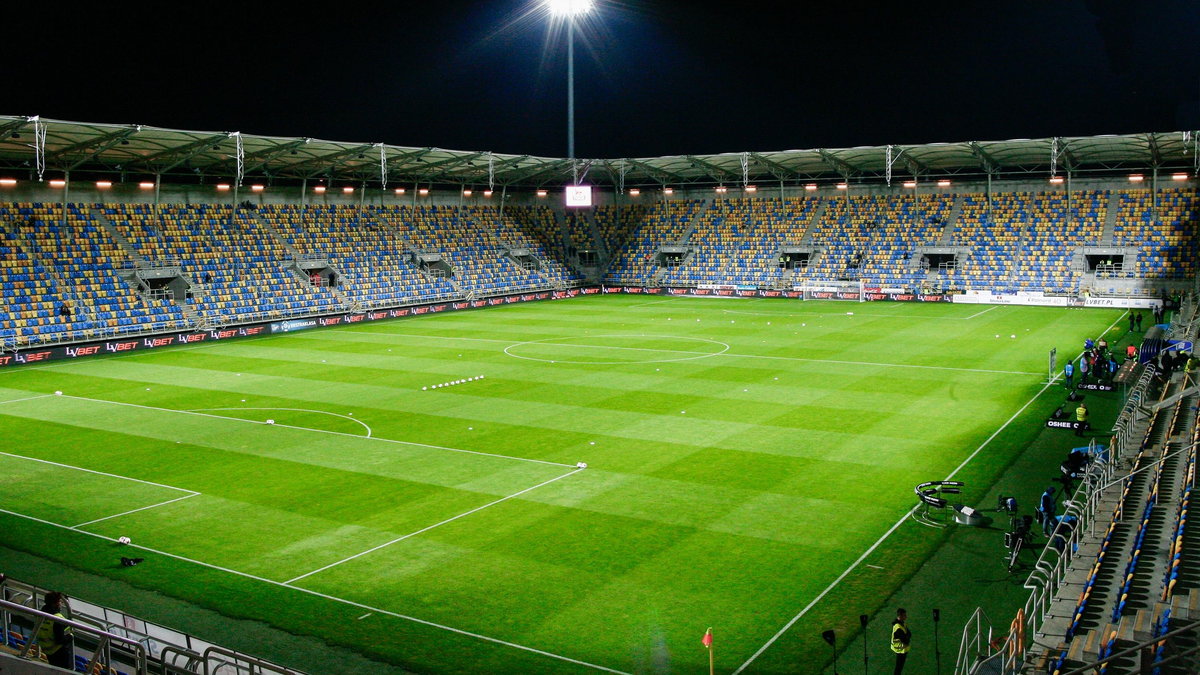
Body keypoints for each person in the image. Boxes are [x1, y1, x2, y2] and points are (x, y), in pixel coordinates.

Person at [35, 591, 73, 669]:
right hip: (58, 652)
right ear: (55, 603)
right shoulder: (57, 618)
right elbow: (60, 640)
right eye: (59, 601)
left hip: (47, 650)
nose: (60, 604)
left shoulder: (41, 613)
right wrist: (70, 637)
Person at [890, 607, 912, 674]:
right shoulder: (898, 627)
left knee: (899, 667)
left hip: (902, 648)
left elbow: (909, 633)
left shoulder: (902, 623)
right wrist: (907, 637)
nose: (906, 617)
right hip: (900, 649)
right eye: (904, 615)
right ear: (900, 616)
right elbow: (905, 639)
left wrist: (907, 637)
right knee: (898, 667)